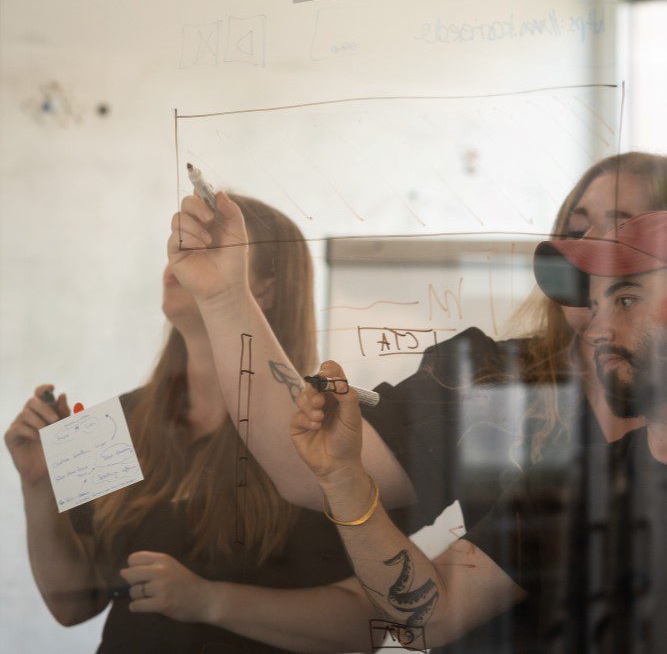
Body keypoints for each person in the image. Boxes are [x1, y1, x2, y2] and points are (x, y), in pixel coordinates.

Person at [4, 194, 370, 653]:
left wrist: (209, 601)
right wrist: (37, 485)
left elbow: (363, 623)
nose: (178, 260)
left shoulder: (323, 431)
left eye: (209, 249)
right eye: (180, 244)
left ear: (266, 289)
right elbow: (72, 606)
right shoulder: (117, 422)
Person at [289, 210, 667, 652]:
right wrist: (344, 479)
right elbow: (431, 616)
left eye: (624, 300)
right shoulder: (584, 481)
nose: (597, 330)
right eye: (596, 306)